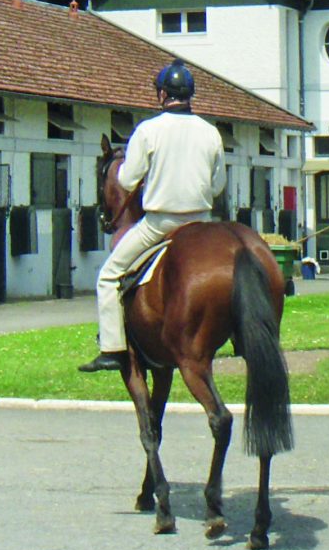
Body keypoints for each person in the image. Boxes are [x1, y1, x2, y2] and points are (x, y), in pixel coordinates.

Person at [79, 61, 227, 373]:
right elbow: (218, 185)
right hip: (202, 224)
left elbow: (128, 180)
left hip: (160, 224)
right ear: (190, 96)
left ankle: (113, 348)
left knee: (108, 277)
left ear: (162, 95)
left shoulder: (147, 130)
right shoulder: (211, 132)